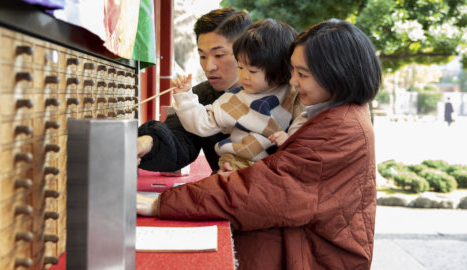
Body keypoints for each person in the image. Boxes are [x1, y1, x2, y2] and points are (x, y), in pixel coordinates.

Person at [138, 19, 382, 269]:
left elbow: (267, 189)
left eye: (302, 74)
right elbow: (184, 133)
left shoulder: (333, 123)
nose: (294, 81)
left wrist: (163, 203)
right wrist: (150, 141)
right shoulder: (331, 110)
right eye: (201, 56)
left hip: (303, 252)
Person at [171, 19, 298, 170]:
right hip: (238, 163)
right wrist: (185, 97)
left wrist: (292, 139)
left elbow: (307, 125)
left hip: (277, 166)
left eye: (252, 71)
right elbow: (202, 123)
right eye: (240, 67)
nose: (244, 76)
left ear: (280, 69)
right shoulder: (234, 99)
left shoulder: (295, 94)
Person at [137, 8, 252, 172]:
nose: (208, 67)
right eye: (203, 56)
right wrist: (147, 142)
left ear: (246, 53)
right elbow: (178, 138)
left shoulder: (280, 94)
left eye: (219, 55)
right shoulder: (199, 96)